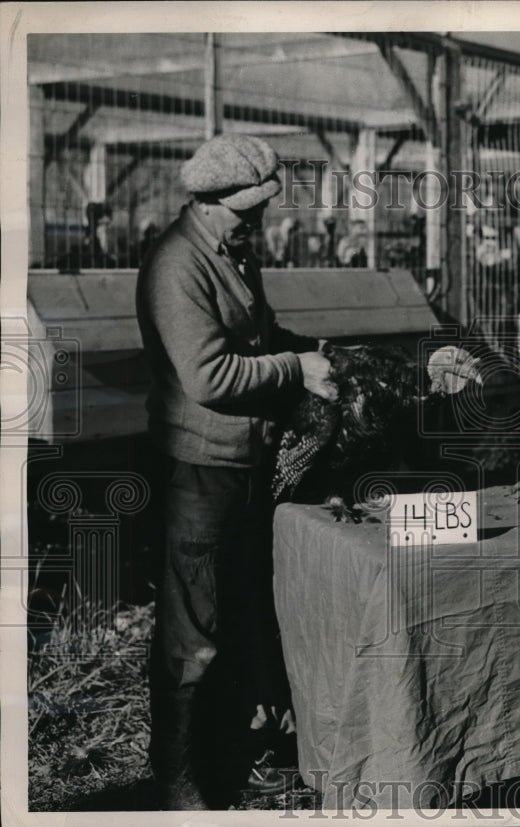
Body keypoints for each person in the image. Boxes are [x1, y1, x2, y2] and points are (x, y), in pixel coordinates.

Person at [135, 133, 338, 809]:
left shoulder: (234, 254)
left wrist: (310, 351)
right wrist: (294, 370)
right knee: (193, 636)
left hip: (245, 464)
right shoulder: (176, 265)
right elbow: (210, 374)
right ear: (209, 199)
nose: (256, 221)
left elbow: (260, 335)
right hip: (198, 470)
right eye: (246, 209)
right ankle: (181, 779)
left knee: (243, 615)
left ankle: (234, 745)